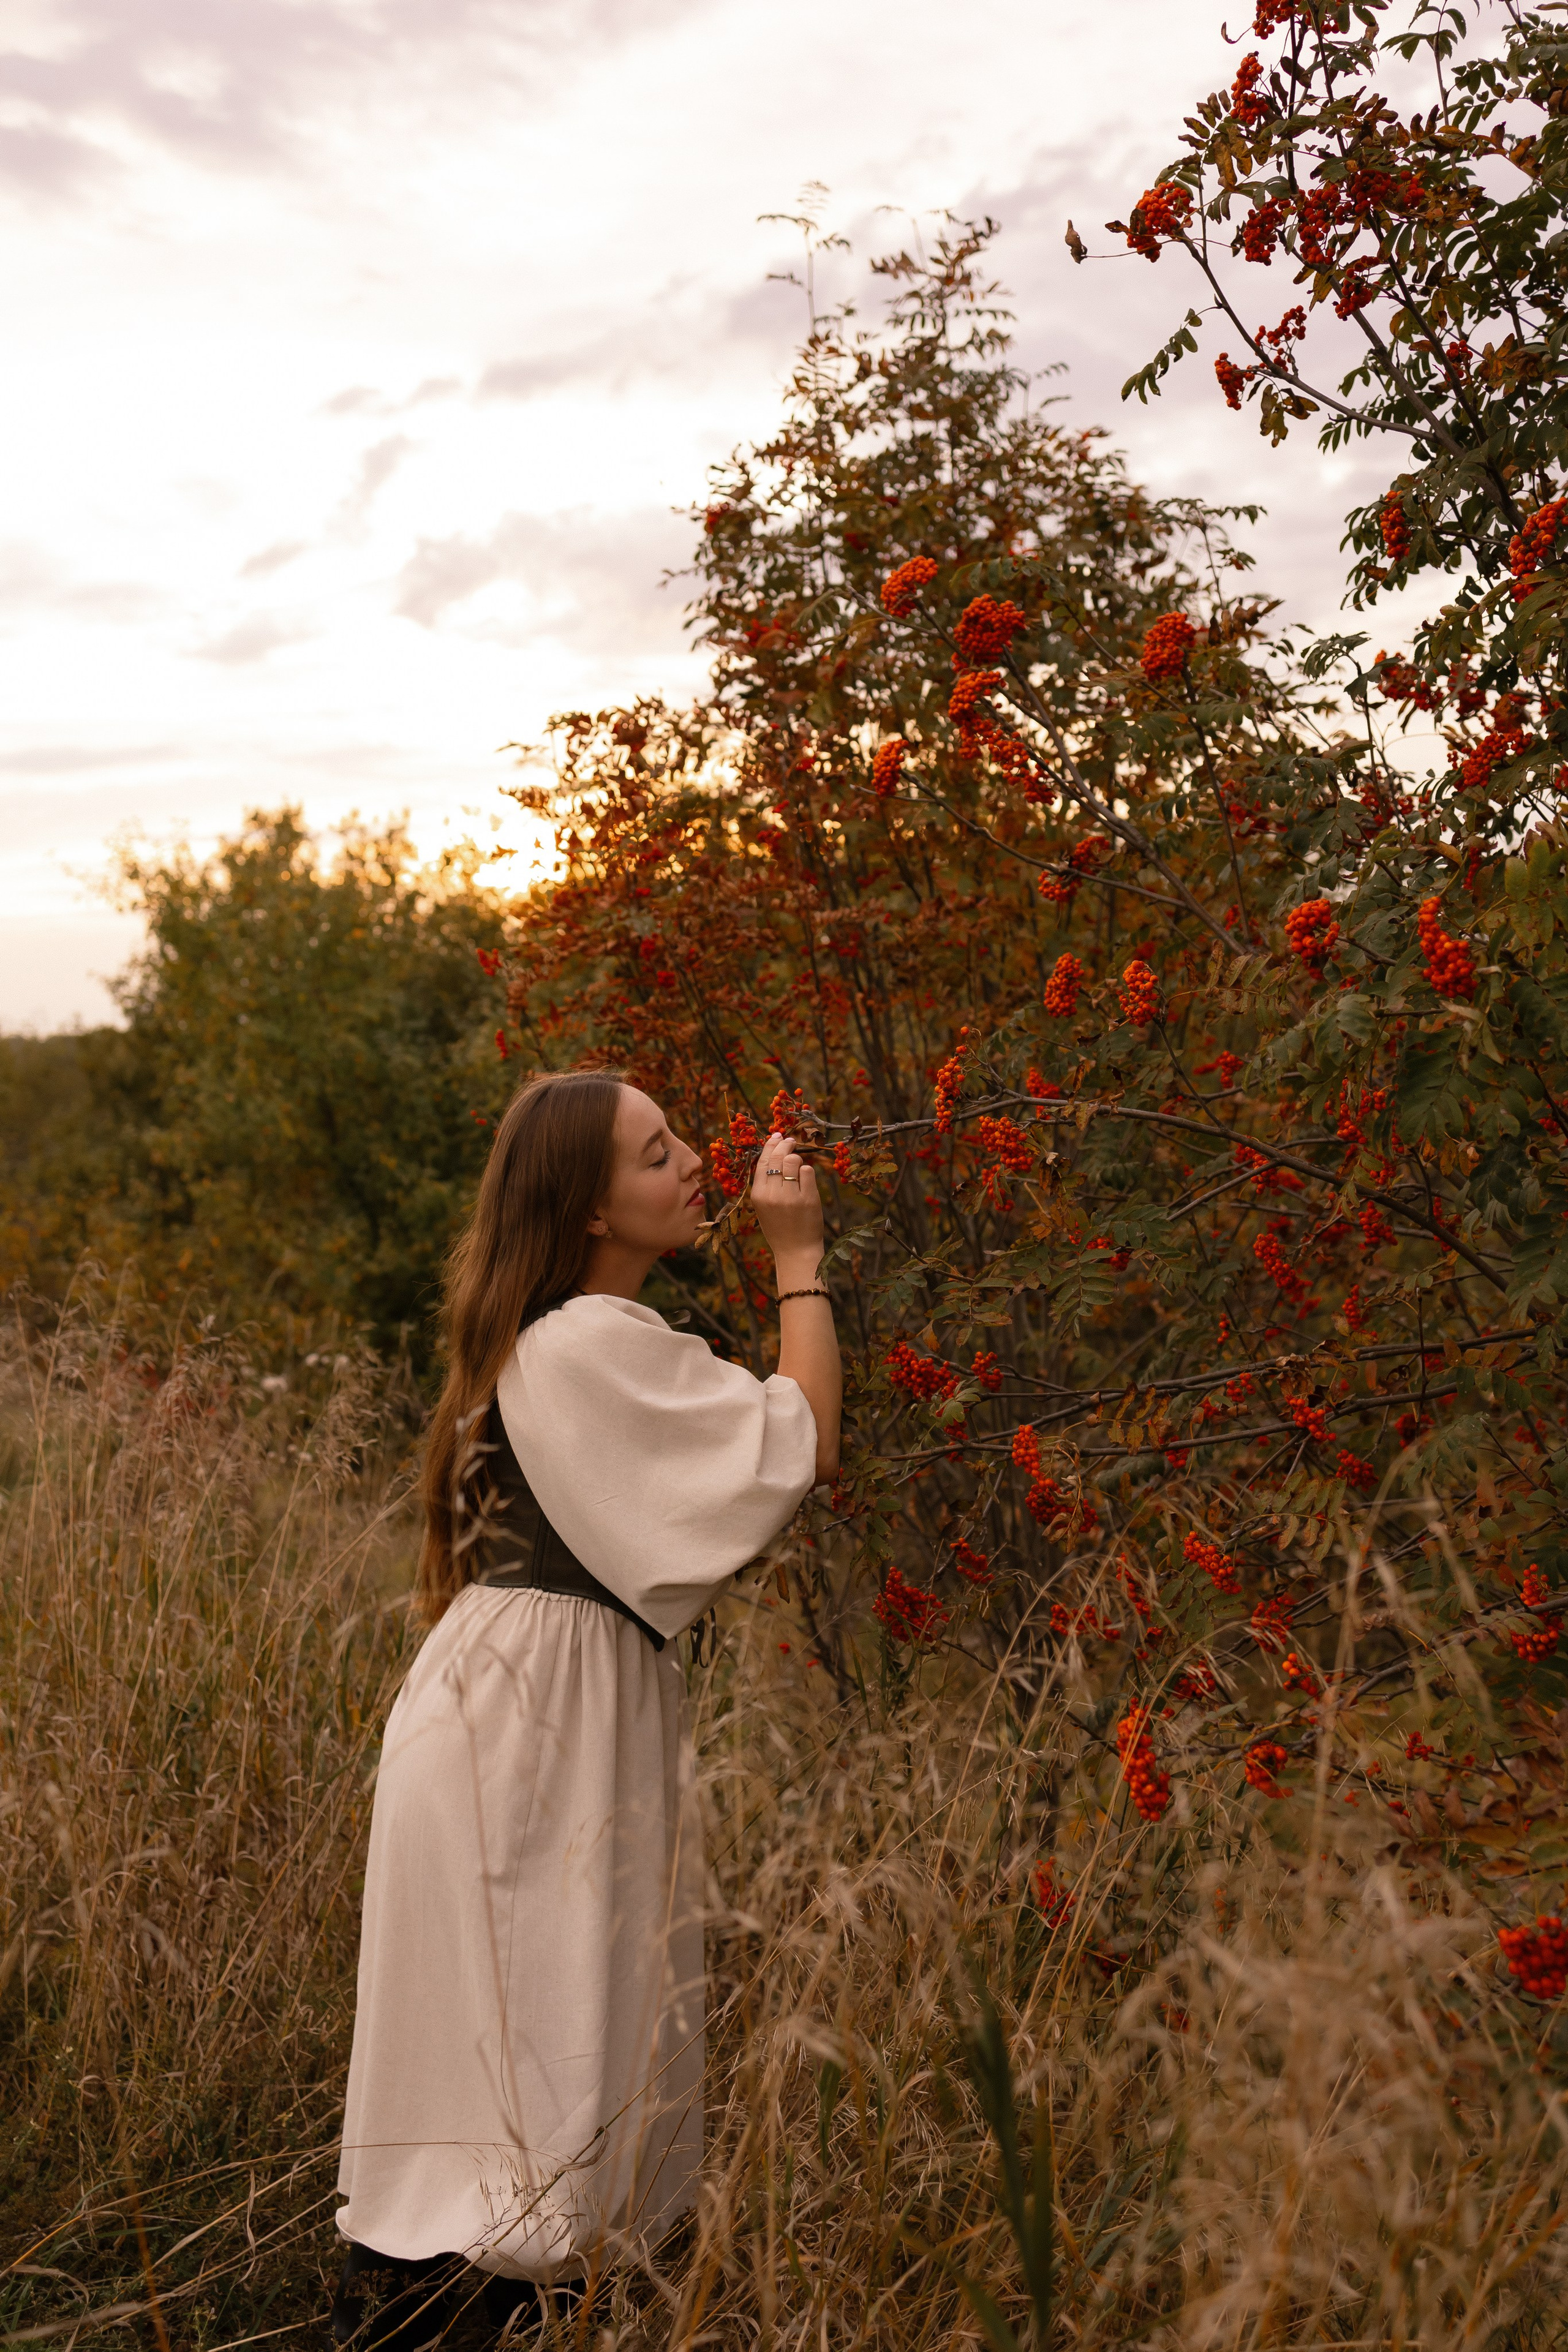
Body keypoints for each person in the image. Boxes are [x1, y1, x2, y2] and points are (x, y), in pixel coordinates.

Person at [332, 1068, 840, 2347]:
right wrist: (800, 1259)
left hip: (510, 1699)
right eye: (654, 1152)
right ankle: (505, 2311)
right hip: (533, 1720)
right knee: (553, 2032)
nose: (690, 1163)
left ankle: (450, 2306)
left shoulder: (550, 1337)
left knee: (508, 2039)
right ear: (590, 1212)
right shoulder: (588, 1342)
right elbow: (794, 1450)